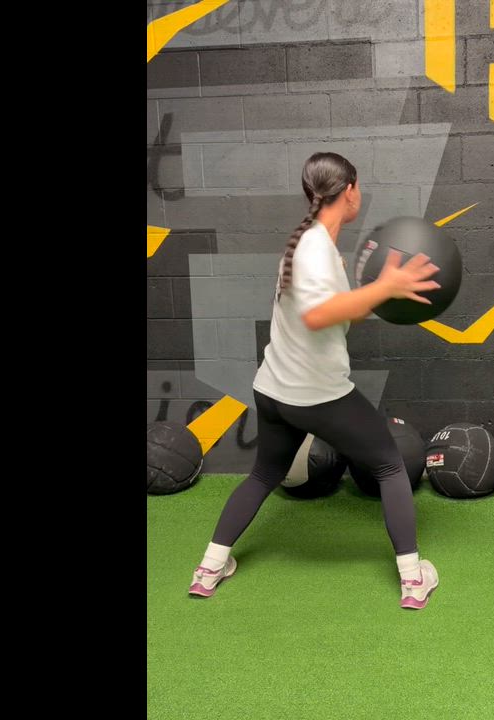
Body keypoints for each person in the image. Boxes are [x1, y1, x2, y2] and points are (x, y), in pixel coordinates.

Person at [188, 152, 443, 609]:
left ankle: (209, 568)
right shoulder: (314, 249)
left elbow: (337, 316)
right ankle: (413, 580)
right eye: (359, 187)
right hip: (315, 396)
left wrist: (383, 296)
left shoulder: (312, 245)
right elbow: (318, 314)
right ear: (350, 190)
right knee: (389, 465)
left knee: (265, 473)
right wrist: (384, 286)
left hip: (274, 391)